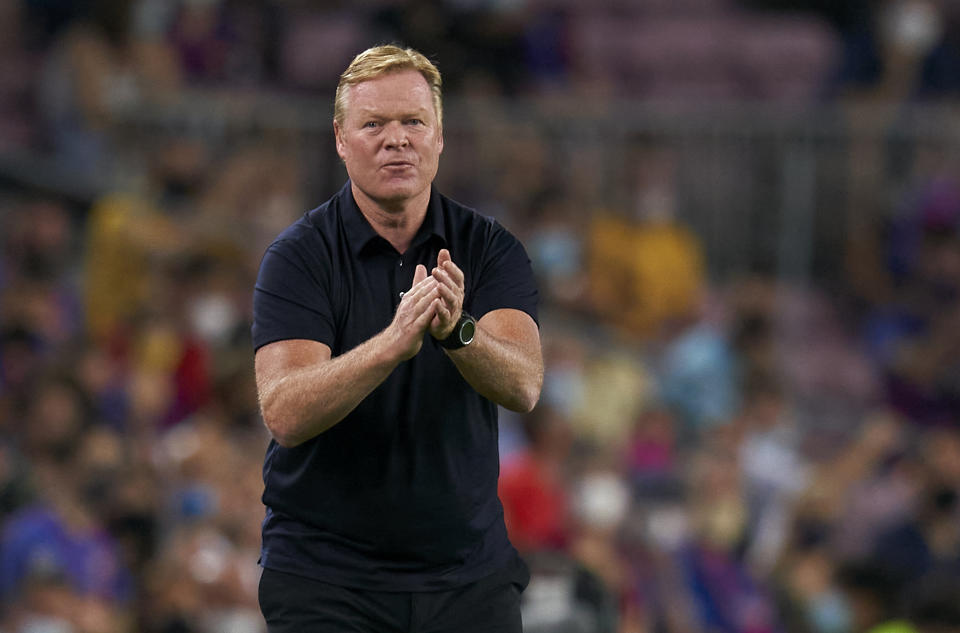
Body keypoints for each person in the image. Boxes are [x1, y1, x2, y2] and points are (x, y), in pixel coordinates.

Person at [251, 45, 543, 632]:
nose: (397, 139)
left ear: (440, 136)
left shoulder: (489, 248)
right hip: (326, 580)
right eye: (374, 124)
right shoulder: (297, 259)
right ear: (340, 138)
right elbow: (283, 411)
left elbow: (525, 384)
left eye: (413, 122)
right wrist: (392, 345)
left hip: (467, 577)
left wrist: (458, 334)